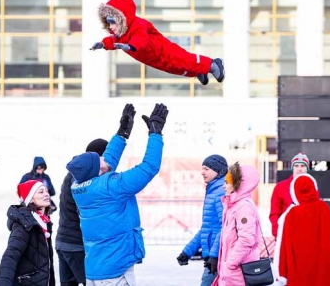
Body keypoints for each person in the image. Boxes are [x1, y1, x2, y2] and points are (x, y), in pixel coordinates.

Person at [66, 103, 168, 286]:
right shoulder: (111, 187)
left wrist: (122, 134)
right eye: (99, 159)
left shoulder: (79, 186)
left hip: (96, 269)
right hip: (115, 273)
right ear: (97, 170)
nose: (104, 158)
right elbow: (149, 167)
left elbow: (107, 162)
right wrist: (155, 134)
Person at [90, 0, 225, 86]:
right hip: (154, 59)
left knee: (184, 60)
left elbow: (140, 39)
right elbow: (113, 41)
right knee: (177, 69)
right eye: (108, 22)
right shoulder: (120, 33)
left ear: (122, 17)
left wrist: (130, 46)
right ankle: (198, 71)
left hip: (164, 50)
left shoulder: (138, 24)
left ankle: (213, 64)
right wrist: (102, 44)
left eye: (112, 21)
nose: (110, 26)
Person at [56, 138, 108, 286]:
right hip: (76, 245)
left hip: (63, 242)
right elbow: (86, 212)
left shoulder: (74, 173)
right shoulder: (83, 179)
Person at [273, 173, 330, 286]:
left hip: (299, 268)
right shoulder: (324, 208)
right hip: (323, 265)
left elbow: (285, 245)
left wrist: (282, 272)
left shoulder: (291, 214)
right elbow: (329, 237)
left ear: (294, 191)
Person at [176, 154, 228, 286]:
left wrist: (215, 256)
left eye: (206, 169)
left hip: (219, 257)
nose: (202, 172)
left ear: (218, 171)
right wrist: (188, 251)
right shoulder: (213, 191)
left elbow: (225, 227)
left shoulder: (220, 193)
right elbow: (207, 229)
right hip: (213, 256)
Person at [0, 180, 55, 286]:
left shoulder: (44, 222)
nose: (46, 194)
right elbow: (10, 256)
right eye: (41, 192)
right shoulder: (25, 224)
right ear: (31, 198)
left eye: (47, 191)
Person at [211, 162, 262, 286]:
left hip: (238, 272)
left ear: (238, 184)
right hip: (233, 272)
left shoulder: (244, 207)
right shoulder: (234, 205)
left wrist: (230, 264)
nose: (223, 186)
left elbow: (246, 240)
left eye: (227, 183)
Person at [269, 152, 310, 238]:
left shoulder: (312, 188)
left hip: (306, 236)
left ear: (307, 168)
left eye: (302, 166)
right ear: (292, 168)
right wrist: (277, 233)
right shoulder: (280, 187)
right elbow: (274, 213)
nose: (299, 169)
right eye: (296, 166)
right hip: (285, 235)